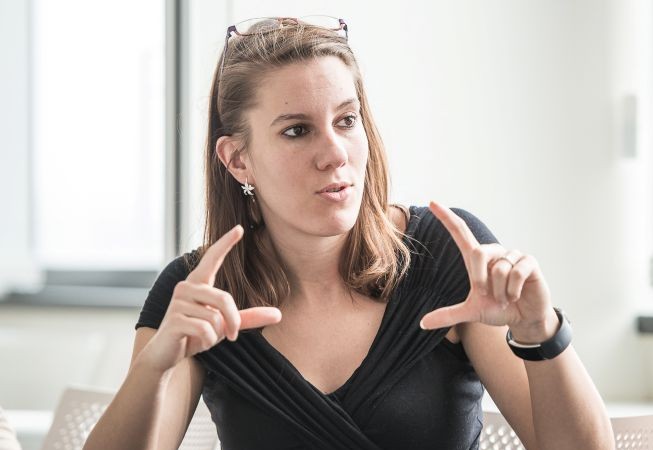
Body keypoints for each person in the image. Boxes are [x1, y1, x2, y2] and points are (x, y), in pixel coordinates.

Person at [85, 16, 614, 450]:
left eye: (345, 120)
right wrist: (154, 368)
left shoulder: (450, 254)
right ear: (238, 159)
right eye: (297, 130)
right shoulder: (200, 293)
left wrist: (540, 330)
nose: (335, 154)